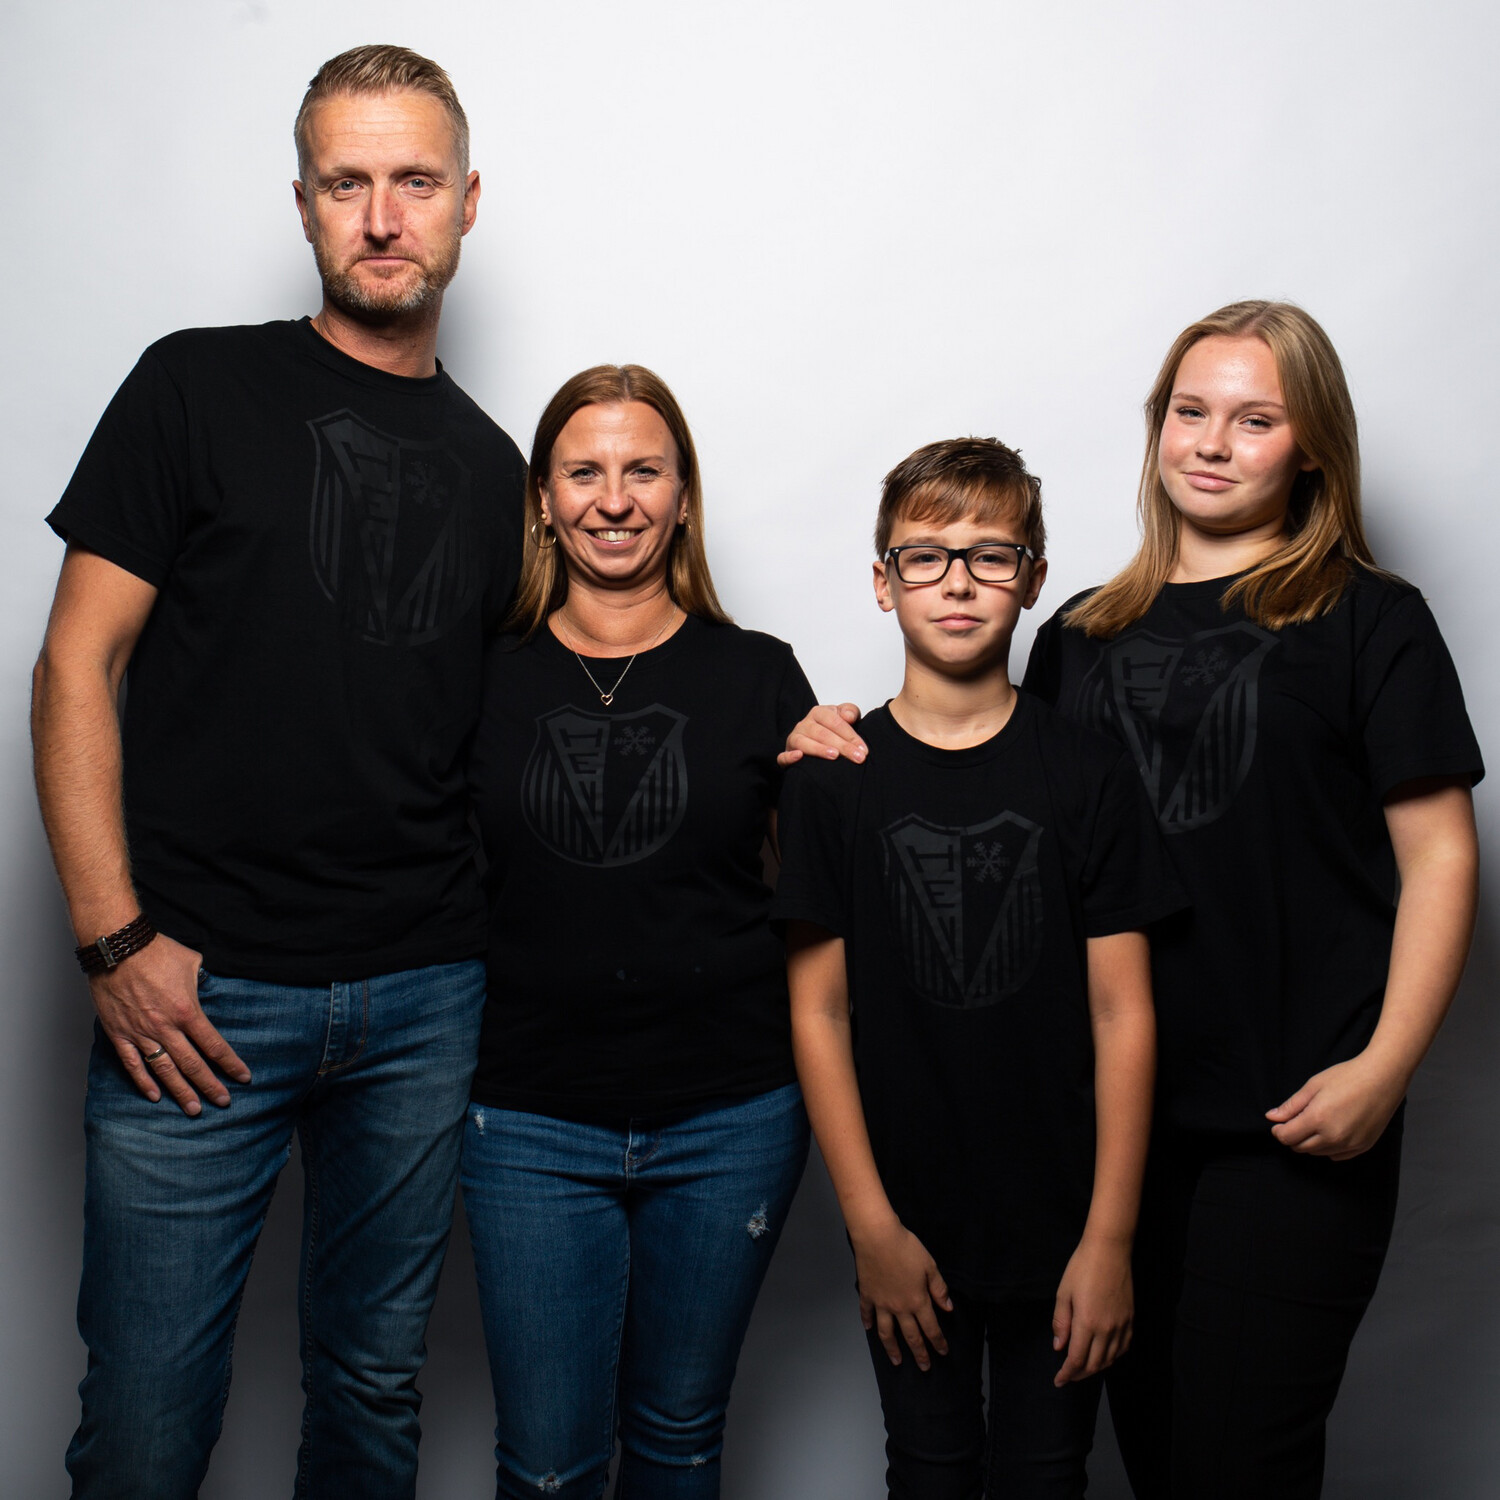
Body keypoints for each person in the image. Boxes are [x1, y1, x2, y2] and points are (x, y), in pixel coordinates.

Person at [30, 45, 524, 1498]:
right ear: (304, 205)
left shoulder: (502, 469)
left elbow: (539, 714)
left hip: (425, 996)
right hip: (198, 993)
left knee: (371, 1397)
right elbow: (74, 665)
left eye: (415, 181)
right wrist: (114, 942)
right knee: (146, 1420)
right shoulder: (195, 385)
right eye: (347, 182)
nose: (383, 215)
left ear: (468, 203)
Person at [1019, 302, 1483, 1498]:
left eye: (1255, 419)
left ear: (1312, 446)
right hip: (1115, 1133)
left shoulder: (1369, 619)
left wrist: (1385, 1069)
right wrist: (834, 739)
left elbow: (1440, 857)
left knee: (1241, 1465)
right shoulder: (1079, 635)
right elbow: (1001, 815)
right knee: (1160, 1460)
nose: (1212, 443)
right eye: (1191, 411)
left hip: (1293, 1121)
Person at [773, 438, 1182, 1498]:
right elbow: (818, 1013)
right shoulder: (831, 783)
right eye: (926, 555)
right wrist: (870, 1227)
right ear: (883, 582)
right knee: (929, 1469)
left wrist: (1111, 1239)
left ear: (1033, 580)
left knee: (1049, 1473)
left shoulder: (1090, 772)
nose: (957, 581)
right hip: (906, 1221)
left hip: (1067, 1219)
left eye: (991, 555)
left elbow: (1123, 1012)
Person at [460, 365, 815, 1498]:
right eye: (584, 472)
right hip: (527, 1119)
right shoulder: (481, 676)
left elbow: (825, 894)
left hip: (730, 1116)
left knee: (678, 1442)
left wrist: (869, 750)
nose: (614, 500)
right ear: (543, 500)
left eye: (643, 471)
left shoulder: (759, 674)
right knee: (548, 1464)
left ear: (684, 497)